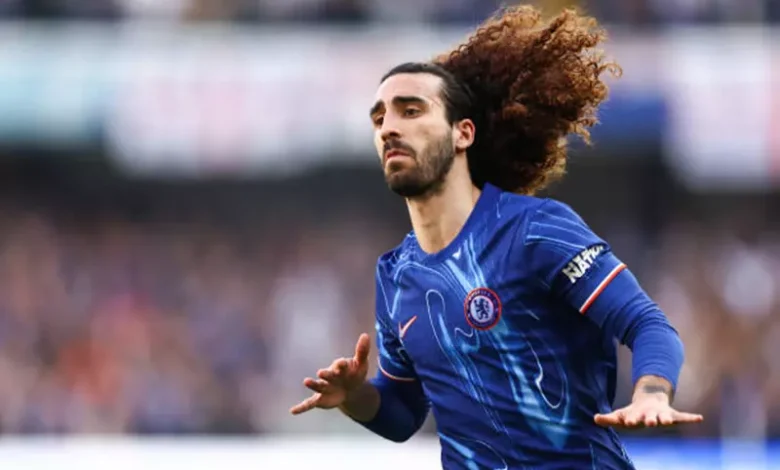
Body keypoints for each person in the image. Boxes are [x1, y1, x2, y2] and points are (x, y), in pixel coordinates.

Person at [290, 5, 703, 469]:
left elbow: (647, 324)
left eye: (411, 110)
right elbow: (403, 413)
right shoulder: (396, 275)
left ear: (462, 134)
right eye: (379, 118)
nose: (389, 128)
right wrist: (355, 397)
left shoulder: (533, 229)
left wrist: (651, 393)